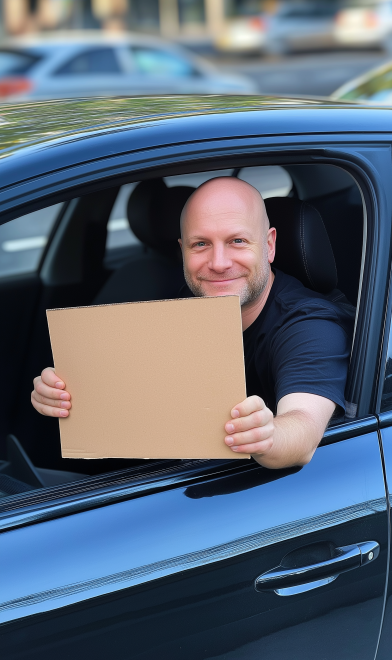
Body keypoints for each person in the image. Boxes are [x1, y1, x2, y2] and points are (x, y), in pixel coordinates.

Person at [31, 177, 353, 469]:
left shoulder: (310, 324)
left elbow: (302, 428)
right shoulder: (187, 304)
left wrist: (269, 436)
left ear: (269, 245)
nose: (219, 263)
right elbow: (132, 393)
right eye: (201, 244)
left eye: (237, 241)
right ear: (182, 250)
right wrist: (64, 393)